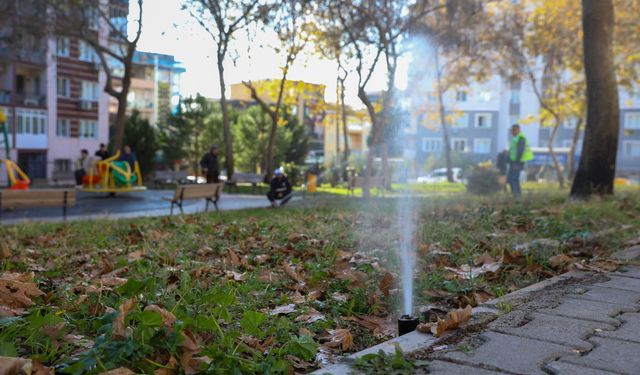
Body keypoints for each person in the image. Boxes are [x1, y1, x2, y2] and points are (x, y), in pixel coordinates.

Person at [507, 124, 533, 197]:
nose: (513, 132)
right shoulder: (516, 139)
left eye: (514, 130)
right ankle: (517, 196)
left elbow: (520, 151)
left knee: (513, 179)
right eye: (512, 131)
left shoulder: (521, 138)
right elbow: (513, 151)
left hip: (517, 163)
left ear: (518, 130)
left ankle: (517, 196)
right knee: (513, 179)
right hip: (513, 163)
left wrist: (516, 163)